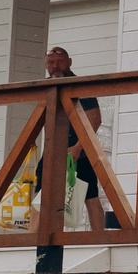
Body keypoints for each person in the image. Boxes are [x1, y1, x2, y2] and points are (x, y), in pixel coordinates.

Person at [43, 46, 109, 230]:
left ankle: (99, 240)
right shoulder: (45, 86)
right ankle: (33, 242)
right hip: (53, 148)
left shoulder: (79, 84)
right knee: (40, 194)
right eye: (51, 62)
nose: (55, 66)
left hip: (79, 150)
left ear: (69, 62)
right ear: (46, 64)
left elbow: (95, 119)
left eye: (60, 61)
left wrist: (78, 148)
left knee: (91, 196)